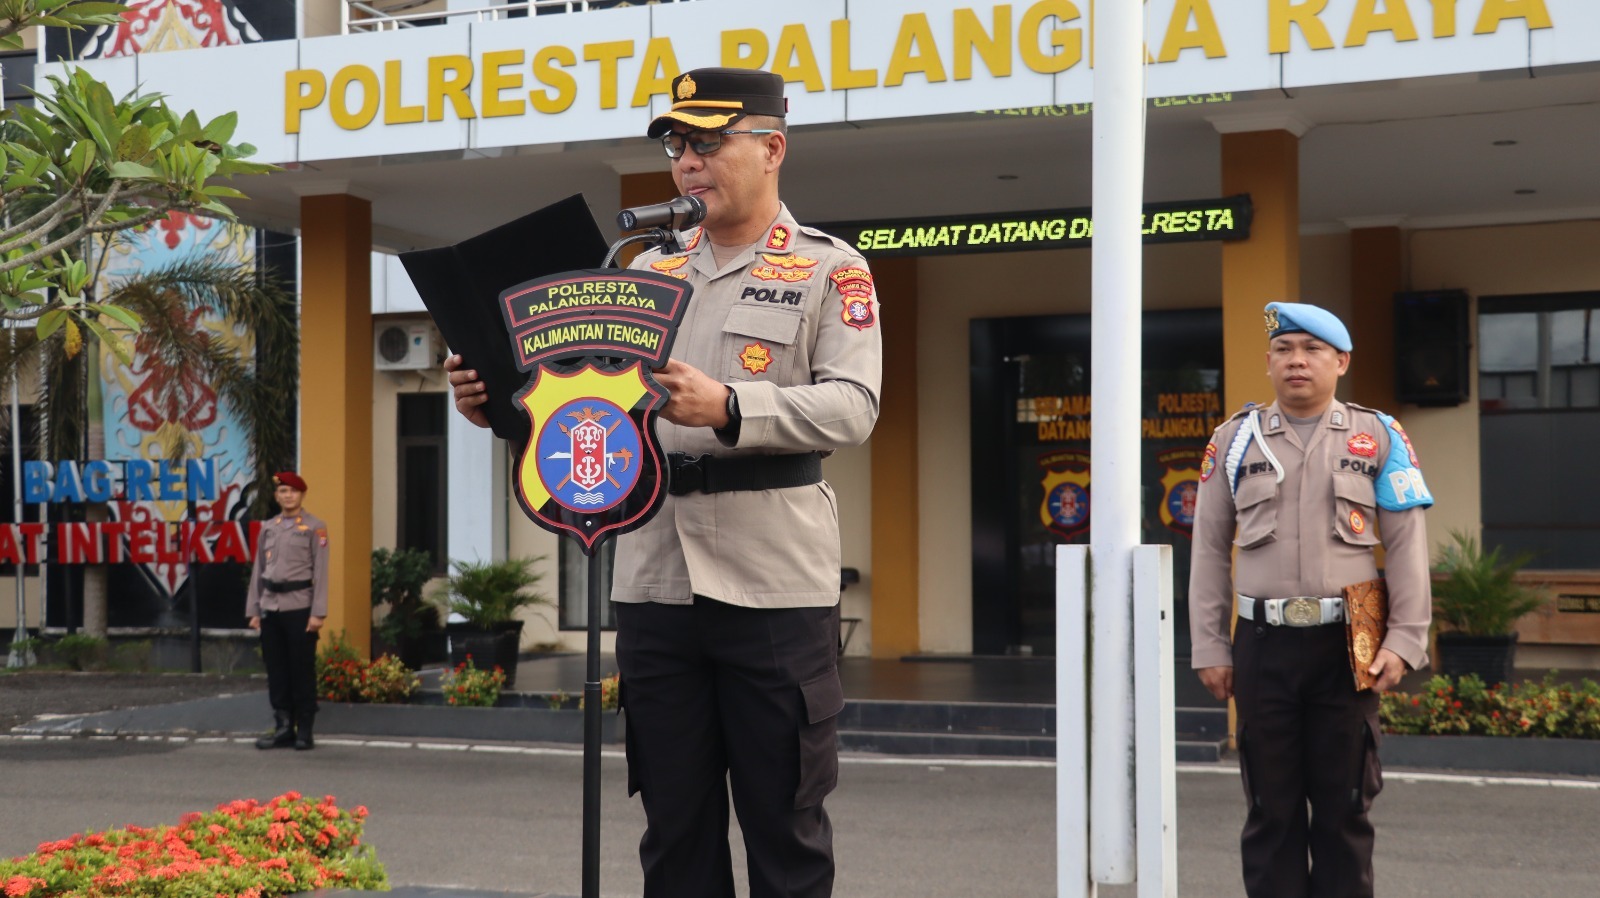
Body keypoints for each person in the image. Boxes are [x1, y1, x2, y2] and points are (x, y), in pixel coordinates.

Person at [446, 67, 882, 898]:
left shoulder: (832, 270)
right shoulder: (644, 270)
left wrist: (729, 405)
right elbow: (587, 412)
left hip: (773, 584)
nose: (688, 162)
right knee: (673, 831)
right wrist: (500, 411)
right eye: (678, 146)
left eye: (710, 142)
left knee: (783, 827)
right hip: (653, 579)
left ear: (771, 148)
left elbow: (854, 408)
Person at [1188, 301, 1433, 898]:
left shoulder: (1378, 436)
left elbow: (1406, 546)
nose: (1297, 361)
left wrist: (1404, 640)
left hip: (1346, 647)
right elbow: (1209, 547)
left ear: (1341, 361)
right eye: (1284, 349)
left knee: (1345, 810)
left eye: (1312, 350)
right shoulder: (1233, 438)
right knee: (1270, 812)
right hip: (1263, 646)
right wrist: (1209, 645)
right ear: (1269, 361)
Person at [246, 471, 330, 751]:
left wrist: (318, 612)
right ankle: (283, 726)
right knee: (277, 670)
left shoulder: (315, 528)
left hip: (300, 607)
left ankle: (305, 729)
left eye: (292, 491)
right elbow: (259, 569)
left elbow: (321, 572)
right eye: (283, 492)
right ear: (276, 496)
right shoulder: (269, 528)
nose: (288, 496)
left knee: (301, 670)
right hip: (271, 606)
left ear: (301, 495)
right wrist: (254, 609)